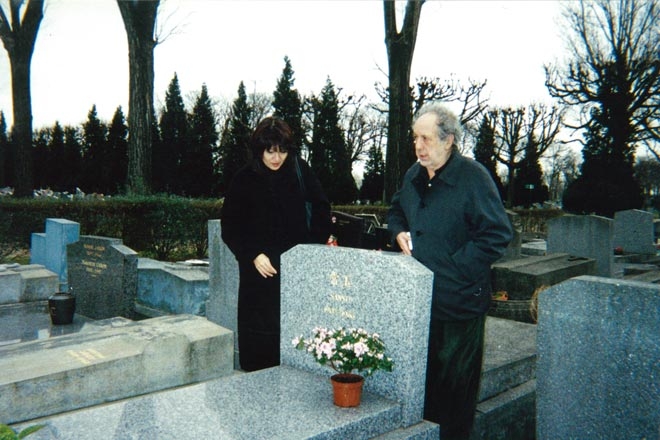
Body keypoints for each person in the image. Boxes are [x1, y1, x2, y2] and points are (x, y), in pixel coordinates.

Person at [387, 102, 512, 439]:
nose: (418, 146)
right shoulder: (414, 175)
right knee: (424, 391)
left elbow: (497, 234)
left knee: (455, 399)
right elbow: (396, 210)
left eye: (426, 139)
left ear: (449, 140)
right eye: (415, 138)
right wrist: (398, 231)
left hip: (459, 305)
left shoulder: (473, 177)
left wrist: (455, 268)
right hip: (420, 301)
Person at [221, 116, 332, 372]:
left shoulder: (300, 171)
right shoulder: (244, 178)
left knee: (295, 339)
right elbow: (231, 227)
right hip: (259, 273)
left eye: (282, 151)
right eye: (270, 151)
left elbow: (322, 210)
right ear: (259, 149)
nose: (276, 158)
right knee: (259, 343)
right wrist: (252, 254)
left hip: (296, 270)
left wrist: (307, 252)